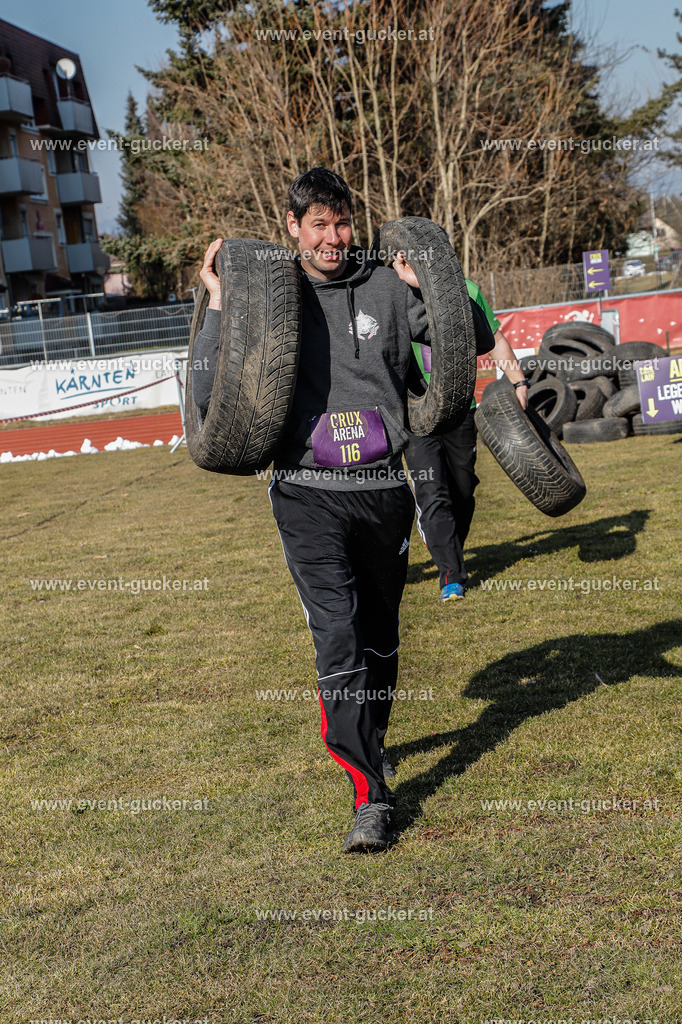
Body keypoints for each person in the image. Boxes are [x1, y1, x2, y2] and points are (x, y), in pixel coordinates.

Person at [192, 168, 494, 853]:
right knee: (338, 635)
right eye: (318, 225)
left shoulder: (386, 283)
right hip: (306, 493)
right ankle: (369, 795)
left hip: (384, 489)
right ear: (293, 227)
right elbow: (209, 397)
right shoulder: (271, 297)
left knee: (380, 638)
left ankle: (373, 740)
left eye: (343, 223)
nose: (333, 237)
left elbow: (470, 341)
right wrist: (218, 305)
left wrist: (432, 287)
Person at [404, 284, 529, 601]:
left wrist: (519, 381)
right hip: (415, 410)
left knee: (463, 489)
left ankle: (447, 548)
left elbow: (494, 339)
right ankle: (451, 575)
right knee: (432, 491)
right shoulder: (393, 289)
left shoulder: (466, 288)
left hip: (460, 407)